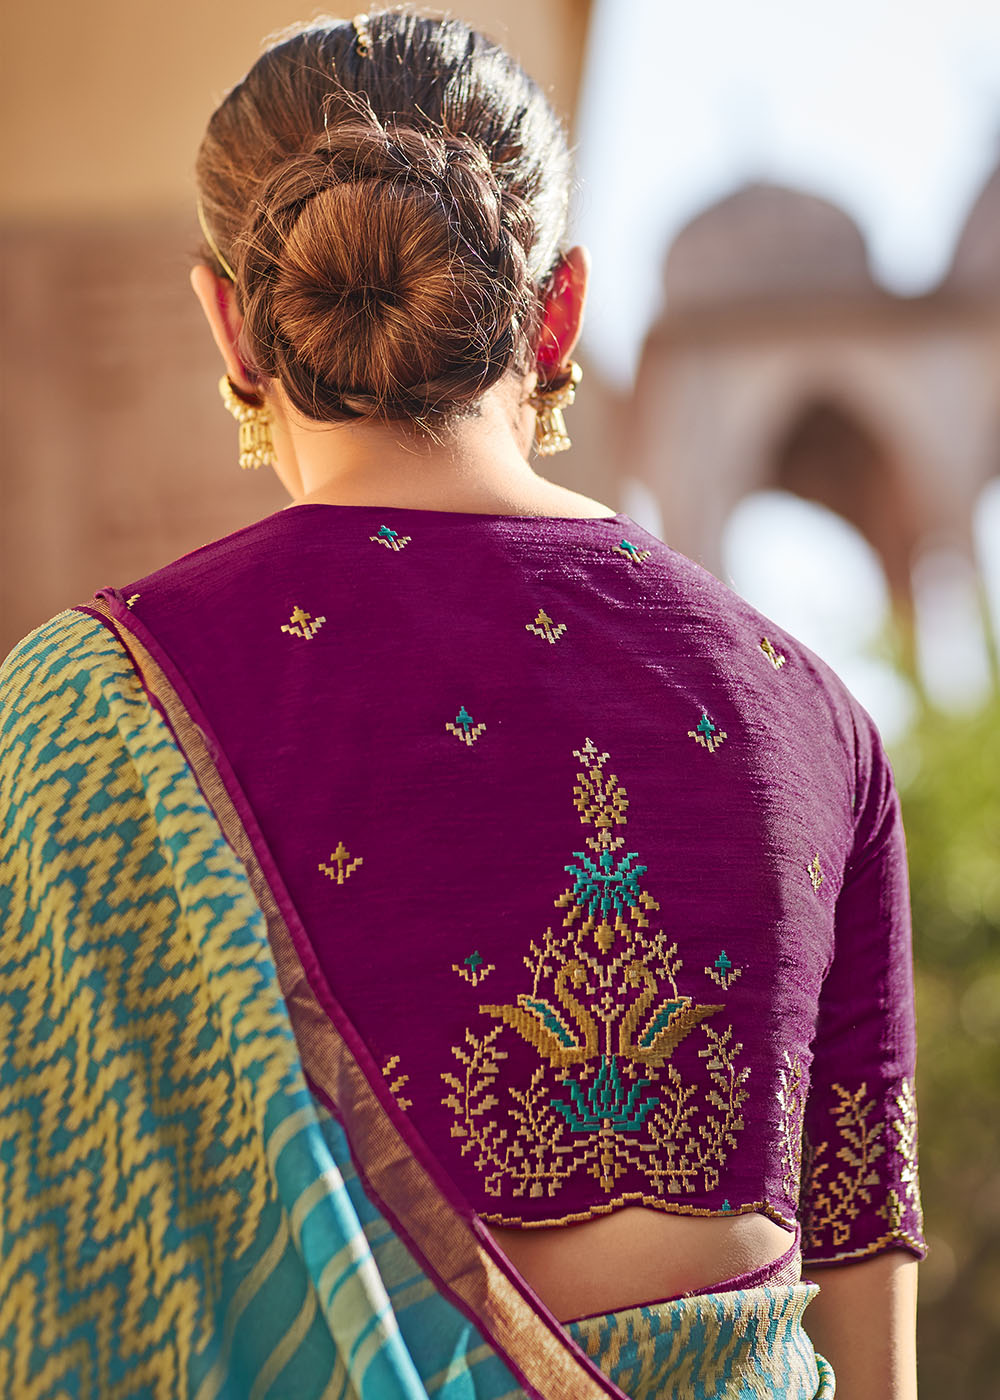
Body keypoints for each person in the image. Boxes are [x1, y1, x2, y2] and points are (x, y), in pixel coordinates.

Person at [0, 10, 925, 1398]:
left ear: (231, 321)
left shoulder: (83, 706)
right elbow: (869, 1321)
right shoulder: (818, 718)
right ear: (560, 311)